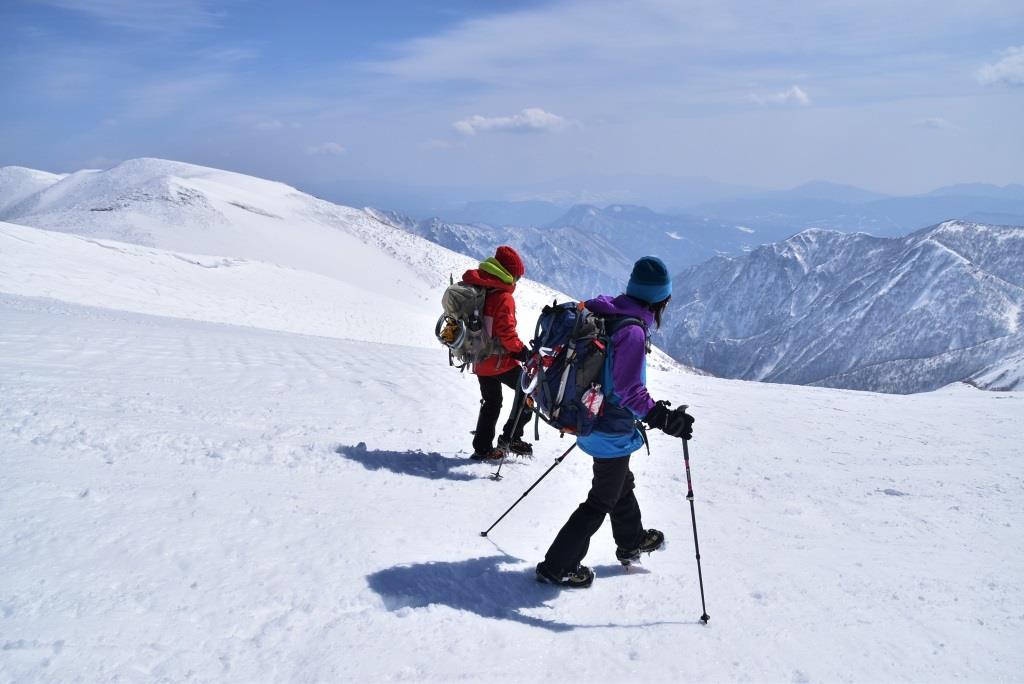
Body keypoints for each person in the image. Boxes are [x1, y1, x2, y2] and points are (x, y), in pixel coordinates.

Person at [535, 256, 695, 587]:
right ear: (660, 298)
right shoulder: (632, 331)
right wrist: (664, 418)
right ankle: (556, 566)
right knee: (600, 500)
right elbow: (629, 390)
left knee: (620, 483)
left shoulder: (607, 312)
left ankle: (631, 540)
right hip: (608, 426)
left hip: (590, 417)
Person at [460, 246, 533, 460]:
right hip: (499, 361)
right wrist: (521, 352)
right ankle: (511, 438)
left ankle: (482, 447)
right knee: (527, 391)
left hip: (479, 359)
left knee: (491, 402)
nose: (517, 281)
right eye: (517, 276)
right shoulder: (503, 297)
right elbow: (506, 333)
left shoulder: (480, 287)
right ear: (509, 273)